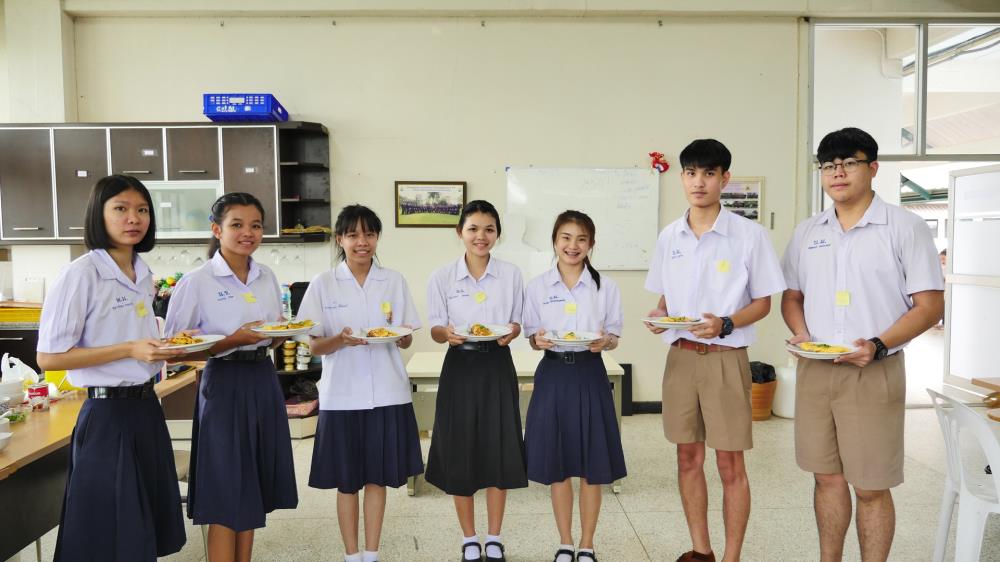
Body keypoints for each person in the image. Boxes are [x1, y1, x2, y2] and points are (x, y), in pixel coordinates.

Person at [781, 127, 944, 562]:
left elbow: (930, 306)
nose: (837, 173)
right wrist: (800, 331)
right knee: (826, 478)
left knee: (871, 486)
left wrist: (877, 344)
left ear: (872, 168)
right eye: (828, 165)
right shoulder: (807, 231)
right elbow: (792, 296)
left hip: (874, 370)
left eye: (848, 163)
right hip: (816, 369)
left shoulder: (905, 227)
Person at [643, 139, 786, 562]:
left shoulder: (749, 235)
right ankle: (701, 550)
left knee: (729, 463)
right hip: (680, 357)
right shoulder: (670, 236)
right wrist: (660, 315)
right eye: (691, 173)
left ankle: (731, 556)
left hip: (726, 358)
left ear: (725, 178)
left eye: (708, 173)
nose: (699, 182)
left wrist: (725, 323)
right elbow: (665, 298)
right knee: (687, 457)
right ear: (682, 178)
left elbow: (763, 303)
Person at [37, 175, 187, 561]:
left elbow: (135, 340)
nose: (133, 218)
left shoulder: (142, 272)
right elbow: (50, 358)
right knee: (109, 534)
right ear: (99, 215)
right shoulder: (81, 274)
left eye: (142, 210)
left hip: (145, 409)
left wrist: (164, 350)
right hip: (107, 415)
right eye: (120, 208)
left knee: (142, 530)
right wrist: (129, 350)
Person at [165, 192, 298, 562]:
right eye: (236, 224)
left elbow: (270, 332)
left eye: (255, 225)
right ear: (216, 230)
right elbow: (175, 350)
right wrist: (233, 340)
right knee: (225, 489)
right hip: (223, 382)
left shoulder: (266, 276)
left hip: (262, 378)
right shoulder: (198, 281)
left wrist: (281, 334)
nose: (247, 233)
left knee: (251, 481)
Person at [297, 204, 424, 562]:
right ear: (340, 239)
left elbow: (406, 337)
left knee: (377, 479)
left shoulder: (393, 281)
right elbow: (314, 345)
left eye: (369, 234)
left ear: (377, 238)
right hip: (342, 395)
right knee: (347, 481)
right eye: (353, 235)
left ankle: (372, 554)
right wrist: (340, 340)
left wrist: (401, 337)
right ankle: (351, 555)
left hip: (387, 392)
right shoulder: (323, 283)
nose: (362, 242)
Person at [424, 200, 528, 562]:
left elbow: (516, 322)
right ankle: (469, 538)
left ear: (497, 234)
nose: (480, 236)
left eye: (489, 229)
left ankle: (494, 537)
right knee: (461, 450)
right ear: (460, 233)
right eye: (473, 229)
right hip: (460, 365)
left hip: (497, 363)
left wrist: (513, 331)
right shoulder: (442, 277)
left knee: (499, 447)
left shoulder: (511, 274)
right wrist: (446, 334)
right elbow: (436, 328)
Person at [522, 210, 626, 562]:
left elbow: (613, 336)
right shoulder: (537, 287)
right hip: (553, 374)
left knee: (592, 466)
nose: (573, 245)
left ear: (591, 244)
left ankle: (587, 544)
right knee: (559, 464)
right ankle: (565, 542)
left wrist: (606, 342)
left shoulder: (605, 287)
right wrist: (536, 340)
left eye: (581, 239)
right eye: (565, 237)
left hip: (590, 372)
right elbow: (533, 337)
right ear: (555, 241)